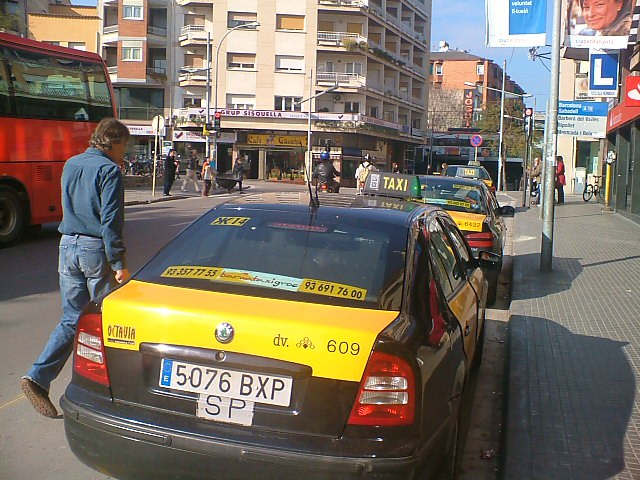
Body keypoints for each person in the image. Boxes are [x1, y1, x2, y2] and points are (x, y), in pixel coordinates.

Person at [21, 118, 131, 418]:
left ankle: (37, 377)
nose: (124, 151)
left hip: (67, 244)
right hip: (94, 249)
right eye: (124, 145)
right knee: (104, 319)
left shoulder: (71, 164)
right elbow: (111, 222)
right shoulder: (109, 170)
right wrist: (119, 263)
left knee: (72, 318)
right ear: (114, 141)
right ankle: (108, 392)